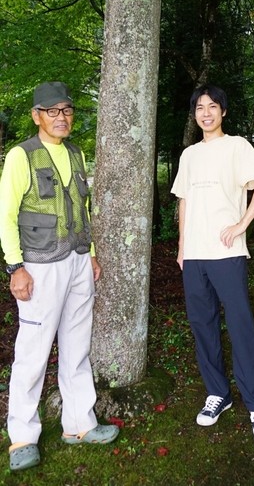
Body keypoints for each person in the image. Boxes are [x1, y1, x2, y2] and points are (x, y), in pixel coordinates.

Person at [0, 81, 119, 472]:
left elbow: (82, 208)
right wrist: (15, 267)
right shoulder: (21, 155)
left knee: (76, 347)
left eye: (66, 110)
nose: (61, 117)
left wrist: (93, 256)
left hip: (78, 262)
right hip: (39, 266)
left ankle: (80, 425)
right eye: (52, 111)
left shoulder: (77, 153)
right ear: (37, 116)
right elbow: (6, 215)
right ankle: (21, 437)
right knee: (32, 352)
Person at [171, 84, 254, 442]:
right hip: (195, 255)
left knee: (241, 325)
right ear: (195, 113)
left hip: (227, 253)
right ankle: (218, 393)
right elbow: (183, 201)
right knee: (203, 325)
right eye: (200, 107)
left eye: (213, 106)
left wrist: (242, 224)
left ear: (223, 112)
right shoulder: (188, 155)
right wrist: (182, 246)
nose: (206, 112)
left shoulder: (237, 146)